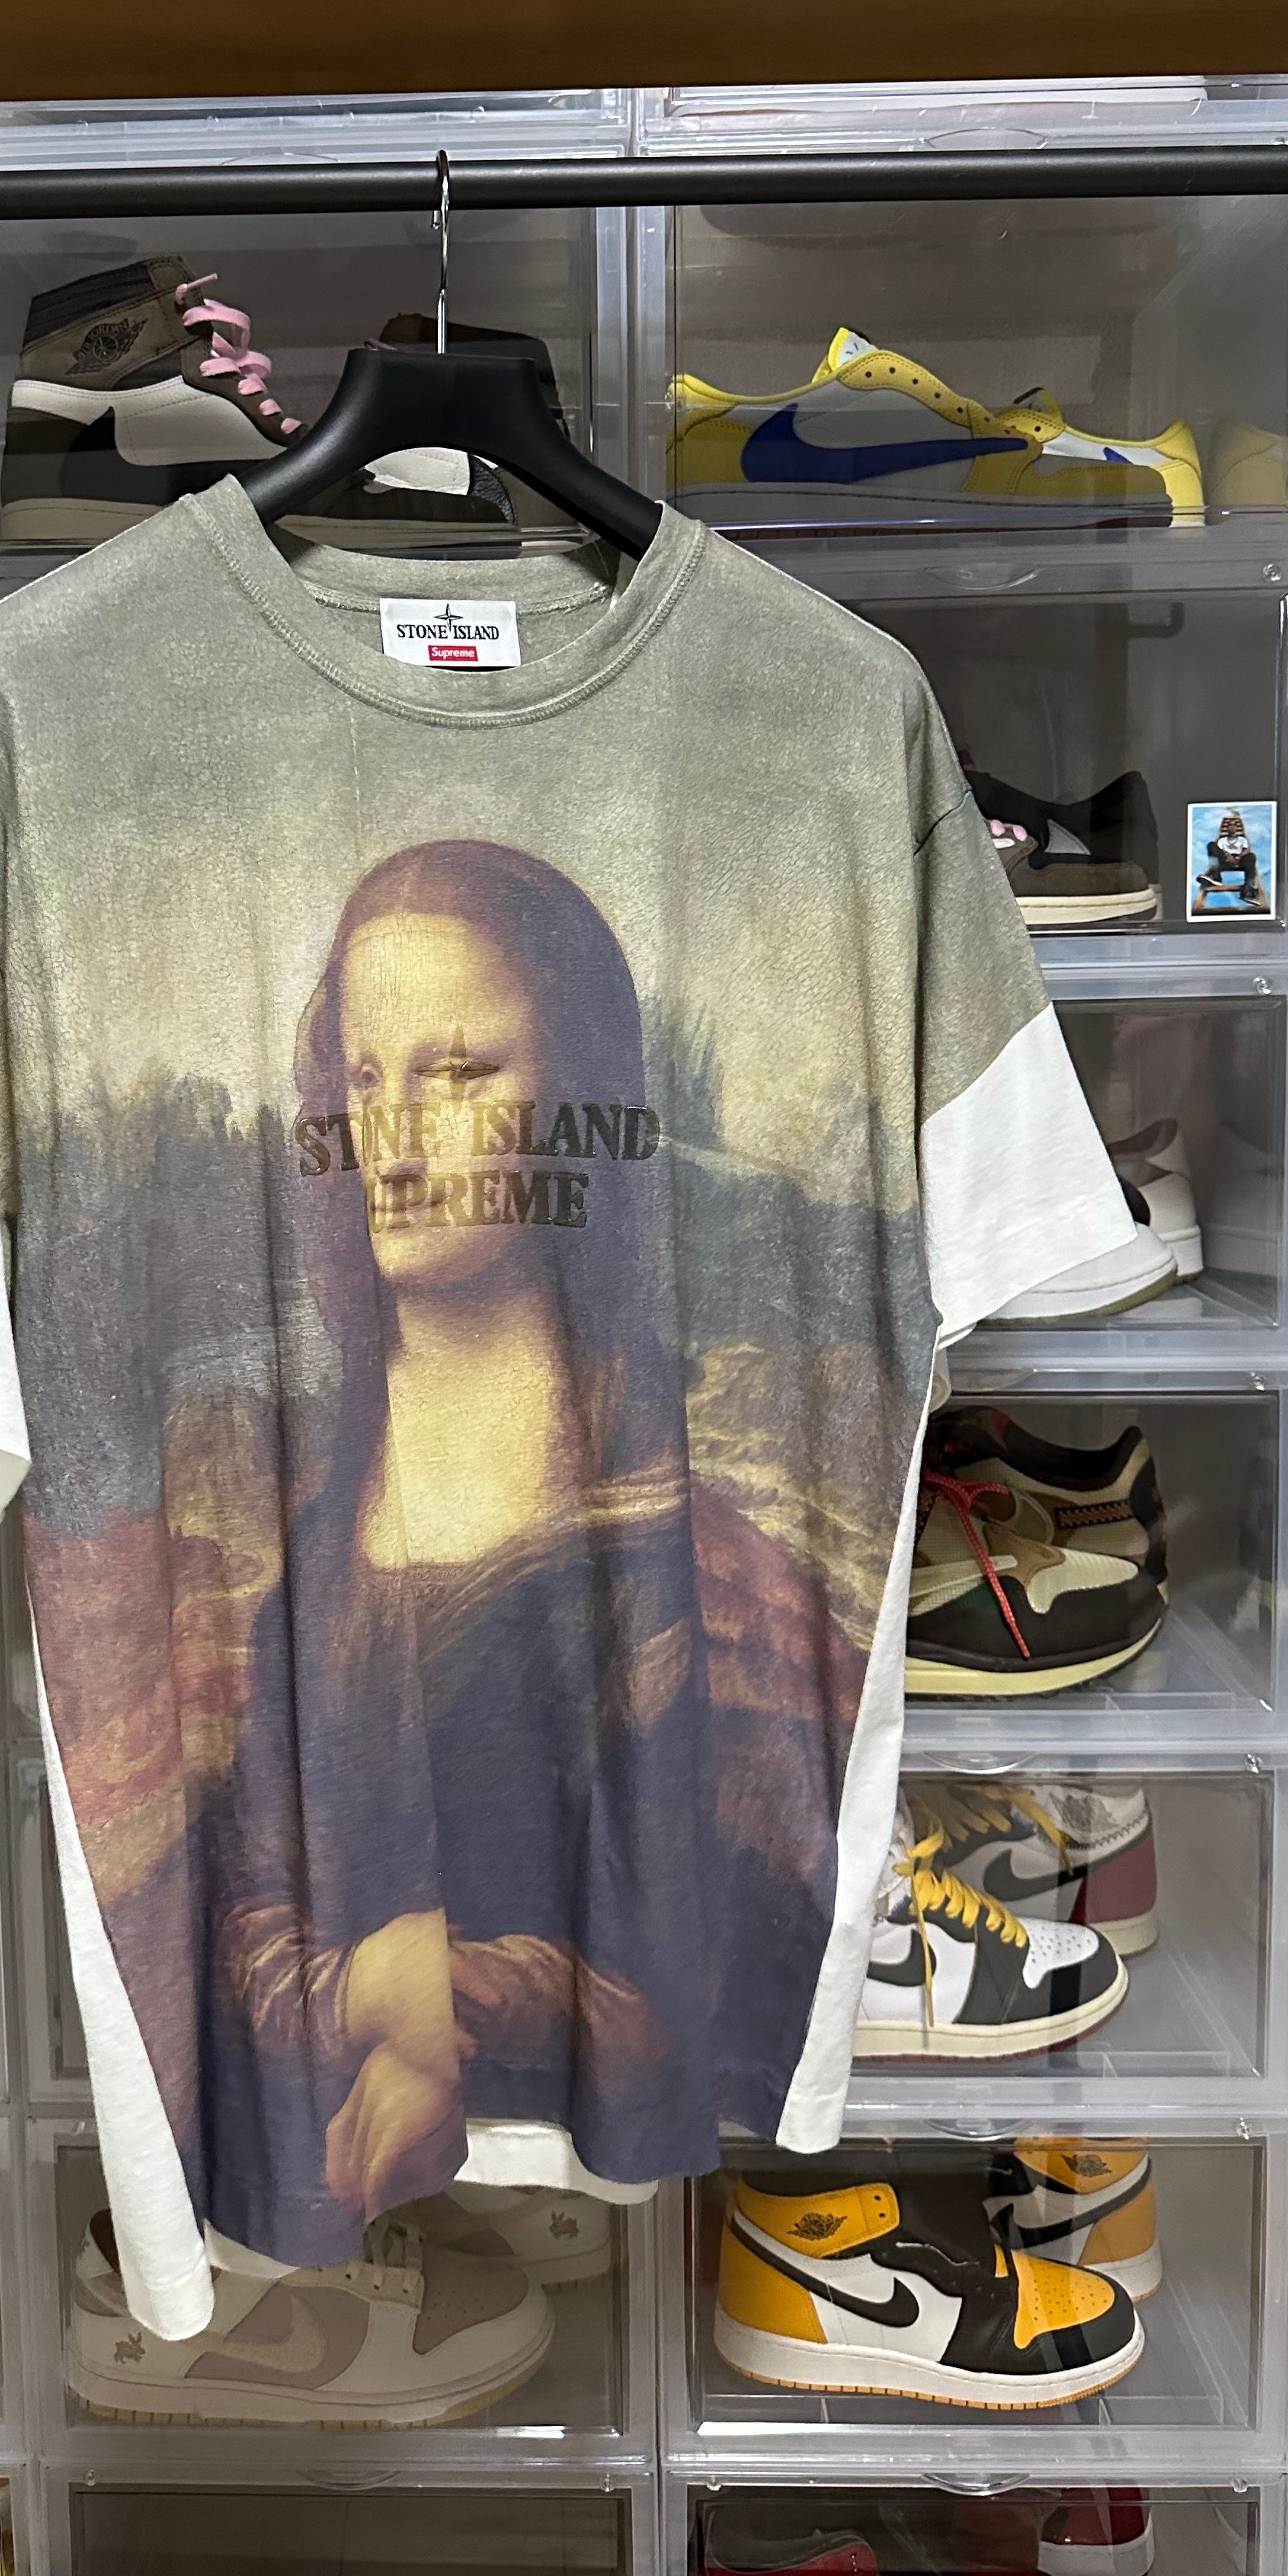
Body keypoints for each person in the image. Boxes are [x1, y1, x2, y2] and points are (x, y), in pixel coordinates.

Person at [193, 840, 865, 2265]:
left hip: (641, 2196)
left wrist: (453, 2002)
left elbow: (729, 1949)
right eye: (365, 1080)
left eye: (459, 1072)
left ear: (578, 1103)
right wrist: (377, 1999)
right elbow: (237, 1911)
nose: (397, 1138)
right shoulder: (302, 1541)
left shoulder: (697, 1559)